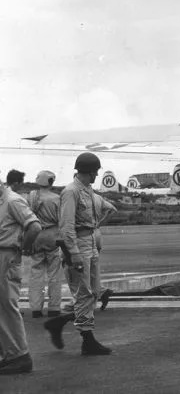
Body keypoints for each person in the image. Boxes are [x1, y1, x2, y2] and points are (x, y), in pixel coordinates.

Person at [43, 153, 114, 356]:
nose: (96, 174)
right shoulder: (71, 192)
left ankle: (59, 323)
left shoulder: (88, 191)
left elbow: (107, 210)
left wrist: (94, 228)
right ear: (88, 171)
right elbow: (66, 227)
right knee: (83, 293)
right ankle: (87, 341)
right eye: (95, 171)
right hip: (78, 246)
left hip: (89, 243)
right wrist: (73, 253)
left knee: (92, 293)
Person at [0, 176, 41, 374]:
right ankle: (9, 354)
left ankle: (20, 356)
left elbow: (34, 226)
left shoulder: (12, 200)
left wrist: (23, 250)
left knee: (7, 306)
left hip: (7, 256)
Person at [26, 170, 63, 319]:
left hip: (36, 235)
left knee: (36, 273)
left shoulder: (31, 197)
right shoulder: (56, 198)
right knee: (54, 273)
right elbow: (62, 220)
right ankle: (54, 307)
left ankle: (36, 308)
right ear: (51, 181)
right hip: (52, 235)